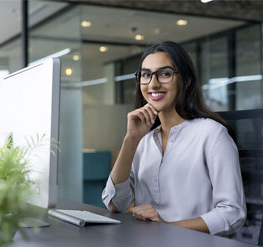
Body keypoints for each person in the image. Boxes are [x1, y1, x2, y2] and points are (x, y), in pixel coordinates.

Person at [102, 41, 246, 235]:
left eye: (165, 74)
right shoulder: (143, 141)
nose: (153, 83)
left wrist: (167, 228)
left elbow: (233, 213)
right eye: (146, 75)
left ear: (186, 80)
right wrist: (131, 139)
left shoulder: (212, 134)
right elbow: (115, 204)